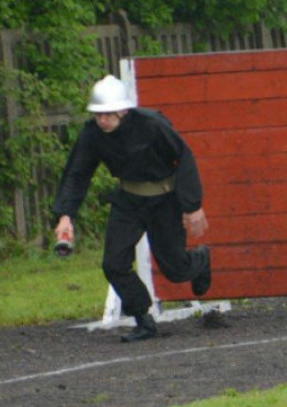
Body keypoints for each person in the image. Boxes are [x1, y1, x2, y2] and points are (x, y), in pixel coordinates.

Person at [52, 75, 212, 342]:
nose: (103, 120)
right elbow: (77, 173)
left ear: (124, 110)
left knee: (175, 269)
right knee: (113, 264)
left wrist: (191, 206)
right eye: (98, 115)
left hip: (164, 201)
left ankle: (201, 259)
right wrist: (66, 215)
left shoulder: (152, 124)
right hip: (128, 201)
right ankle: (143, 319)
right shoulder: (92, 134)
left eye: (108, 114)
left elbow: (183, 156)